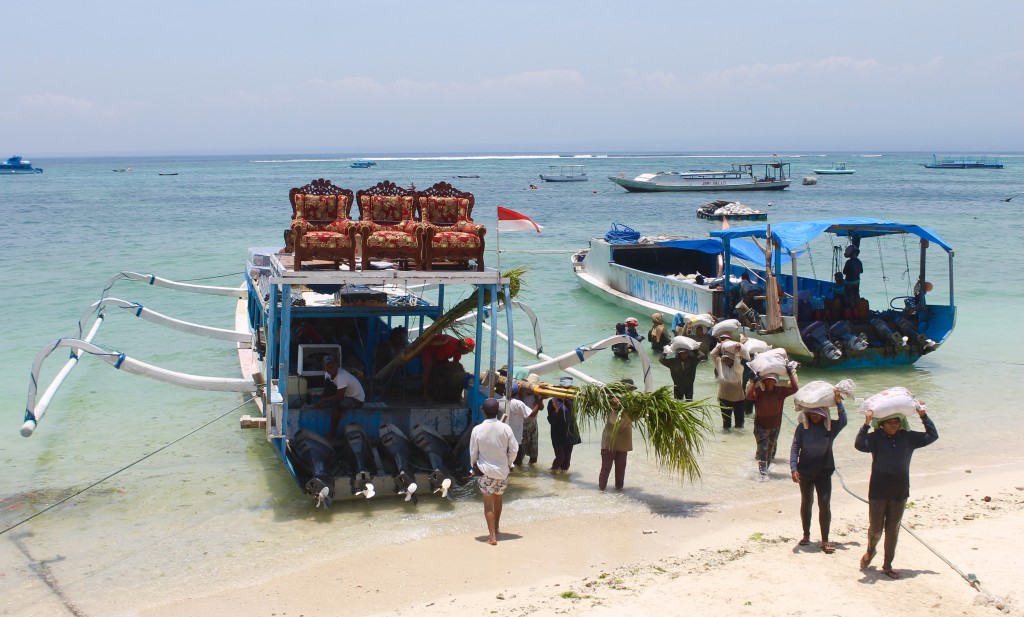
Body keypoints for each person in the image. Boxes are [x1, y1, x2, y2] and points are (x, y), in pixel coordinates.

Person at [855, 401, 938, 578]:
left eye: (897, 421)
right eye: (890, 421)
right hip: (878, 491)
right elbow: (859, 445)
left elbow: (932, 435)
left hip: (900, 491)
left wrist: (922, 415)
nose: (894, 424)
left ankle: (887, 564)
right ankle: (871, 550)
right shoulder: (875, 438)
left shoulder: (908, 437)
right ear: (881, 424)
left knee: (893, 529)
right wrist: (866, 423)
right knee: (876, 528)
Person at [789, 389, 848, 553]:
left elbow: (843, 421)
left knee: (824, 504)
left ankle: (825, 539)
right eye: (812, 414)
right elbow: (795, 448)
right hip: (805, 473)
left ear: (824, 414)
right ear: (807, 414)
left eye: (818, 414)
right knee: (806, 503)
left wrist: (838, 403)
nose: (815, 417)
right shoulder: (802, 429)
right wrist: (794, 468)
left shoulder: (830, 428)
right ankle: (806, 535)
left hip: (824, 473)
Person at [469, 398, 518, 545]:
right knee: (498, 499)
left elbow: (473, 452)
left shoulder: (477, 430)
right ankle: (496, 527)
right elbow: (514, 449)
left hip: (486, 472)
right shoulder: (506, 428)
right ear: (497, 411)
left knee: (487, 504)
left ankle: (492, 537)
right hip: (503, 471)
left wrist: (473, 466)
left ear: (483, 412)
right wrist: (509, 463)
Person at [746, 364, 799, 479]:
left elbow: (795, 389)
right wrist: (753, 382)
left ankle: (765, 471)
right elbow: (749, 396)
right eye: (767, 381)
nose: (770, 383)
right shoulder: (760, 392)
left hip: (775, 426)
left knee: (770, 452)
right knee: (763, 449)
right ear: (764, 382)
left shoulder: (781, 391)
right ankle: (763, 474)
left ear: (775, 382)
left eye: (772, 380)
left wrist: (791, 374)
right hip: (761, 426)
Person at [310, 355, 365, 438]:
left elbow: (339, 397)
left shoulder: (341, 376)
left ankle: (332, 433)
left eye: (333, 365)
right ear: (324, 367)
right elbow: (326, 389)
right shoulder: (327, 375)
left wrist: (324, 400)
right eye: (328, 366)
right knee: (327, 384)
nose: (331, 368)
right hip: (346, 394)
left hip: (356, 399)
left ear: (337, 365)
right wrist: (320, 401)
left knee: (337, 404)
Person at [598, 379, 634, 491]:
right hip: (609, 442)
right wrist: (615, 404)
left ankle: (619, 492)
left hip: (624, 442)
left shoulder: (634, 405)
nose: (626, 393)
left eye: (628, 390)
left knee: (620, 468)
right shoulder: (610, 401)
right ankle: (601, 492)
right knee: (606, 468)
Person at [419, 334, 474, 400]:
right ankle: (425, 392)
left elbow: (456, 364)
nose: (466, 353)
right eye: (466, 351)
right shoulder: (449, 345)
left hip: (439, 354)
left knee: (448, 367)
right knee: (429, 366)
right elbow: (437, 359)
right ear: (462, 347)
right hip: (428, 348)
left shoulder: (458, 350)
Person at [495, 381, 535, 467]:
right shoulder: (518, 404)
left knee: (504, 462)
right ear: (516, 392)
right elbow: (532, 414)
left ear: (504, 391)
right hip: (515, 439)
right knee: (517, 464)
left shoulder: (499, 401)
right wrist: (539, 401)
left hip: (502, 438)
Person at [547, 377, 581, 473]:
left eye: (568, 388)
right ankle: (552, 471)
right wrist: (557, 409)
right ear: (560, 387)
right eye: (564, 388)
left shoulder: (573, 400)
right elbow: (551, 420)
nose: (566, 390)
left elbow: (574, 412)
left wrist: (566, 400)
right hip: (557, 432)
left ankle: (562, 484)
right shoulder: (552, 401)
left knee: (566, 463)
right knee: (560, 458)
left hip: (570, 431)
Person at [712, 347, 745, 429]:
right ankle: (726, 440)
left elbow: (737, 363)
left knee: (739, 426)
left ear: (733, 359)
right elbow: (712, 354)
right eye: (725, 359)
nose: (726, 361)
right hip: (724, 399)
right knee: (726, 425)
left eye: (729, 359)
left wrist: (737, 352)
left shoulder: (739, 369)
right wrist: (720, 345)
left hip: (738, 399)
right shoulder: (720, 365)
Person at [516, 373, 544, 465]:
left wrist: (539, 398)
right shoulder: (521, 393)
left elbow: (541, 408)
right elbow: (528, 413)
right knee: (522, 451)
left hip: (533, 423)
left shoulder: (535, 394)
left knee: (534, 452)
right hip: (524, 424)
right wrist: (539, 401)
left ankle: (533, 473)